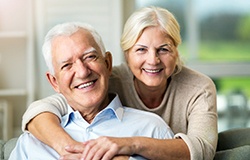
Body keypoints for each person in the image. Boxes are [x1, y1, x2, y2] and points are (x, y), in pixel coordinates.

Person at [22, 6, 218, 160]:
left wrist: (130, 145)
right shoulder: (103, 79)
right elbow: (43, 108)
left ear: (176, 50)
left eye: (164, 49)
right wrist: (70, 149)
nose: (153, 60)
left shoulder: (198, 88)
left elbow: (202, 150)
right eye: (141, 49)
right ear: (126, 54)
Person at [9, 21, 174, 160]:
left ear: (108, 63)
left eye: (89, 57)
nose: (83, 72)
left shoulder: (153, 130)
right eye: (67, 65)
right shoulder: (31, 144)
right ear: (54, 82)